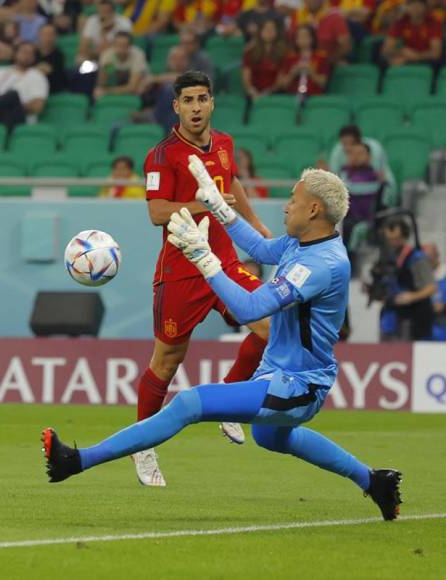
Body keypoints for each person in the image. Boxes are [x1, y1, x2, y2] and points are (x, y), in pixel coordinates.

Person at [42, 165, 404, 523]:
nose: (285, 206)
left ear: (314, 209)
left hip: (300, 385)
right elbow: (260, 249)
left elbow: (250, 307)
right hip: (278, 375)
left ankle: (76, 461)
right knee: (270, 437)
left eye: (293, 199)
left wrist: (204, 259)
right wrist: (219, 208)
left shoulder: (321, 265)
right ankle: (374, 481)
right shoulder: (305, 242)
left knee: (188, 403)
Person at [133, 71, 273, 488]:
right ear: (175, 106)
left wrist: (256, 224)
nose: (196, 107)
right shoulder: (162, 155)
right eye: (188, 100)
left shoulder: (226, 145)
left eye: (202, 99)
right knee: (167, 361)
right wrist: (206, 203)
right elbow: (157, 213)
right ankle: (142, 443)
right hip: (182, 271)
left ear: (212, 103)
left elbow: (232, 185)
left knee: (270, 326)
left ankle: (230, 398)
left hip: (225, 261)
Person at [375, 217, 436, 341]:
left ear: (404, 236)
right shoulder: (386, 258)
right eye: (389, 239)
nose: (392, 242)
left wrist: (411, 296)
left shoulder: (417, 258)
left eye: (396, 239)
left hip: (412, 316)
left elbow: (431, 287)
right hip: (391, 313)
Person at [327, 125, 396, 205]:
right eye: (345, 144)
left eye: (352, 143)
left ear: (360, 141)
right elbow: (335, 178)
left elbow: (378, 178)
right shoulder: (337, 151)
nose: (348, 148)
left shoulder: (374, 149)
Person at [381, 0, 443, 67]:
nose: (415, 8)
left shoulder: (433, 23)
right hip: (406, 58)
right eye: (412, 5)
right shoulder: (401, 22)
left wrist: (416, 56)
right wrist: (402, 51)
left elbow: (436, 53)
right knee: (387, 60)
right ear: (407, 7)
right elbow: (386, 49)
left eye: (419, 5)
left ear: (425, 7)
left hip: (427, 61)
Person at [94, 31, 148, 100]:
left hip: (139, 80)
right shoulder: (107, 55)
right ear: (113, 45)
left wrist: (107, 91)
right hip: (118, 80)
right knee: (97, 91)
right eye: (118, 45)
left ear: (130, 46)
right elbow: (102, 83)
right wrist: (106, 70)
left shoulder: (138, 55)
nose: (121, 49)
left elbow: (132, 87)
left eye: (124, 46)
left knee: (139, 88)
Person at [242, 18, 287, 100]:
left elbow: (280, 81)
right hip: (253, 94)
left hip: (275, 94)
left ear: (277, 32)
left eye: (272, 29)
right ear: (260, 31)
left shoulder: (283, 53)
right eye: (266, 28)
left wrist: (266, 94)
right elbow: (246, 80)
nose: (269, 31)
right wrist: (253, 93)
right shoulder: (250, 53)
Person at [421, 242, 446, 341]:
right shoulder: (420, 275)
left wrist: (444, 306)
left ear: (437, 254)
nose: (429, 261)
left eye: (431, 257)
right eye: (425, 259)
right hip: (425, 324)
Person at [35, 22, 65, 95]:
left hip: (51, 89)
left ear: (56, 36)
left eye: (51, 35)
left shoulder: (58, 55)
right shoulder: (32, 53)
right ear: (39, 35)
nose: (47, 38)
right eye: (44, 35)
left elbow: (58, 78)